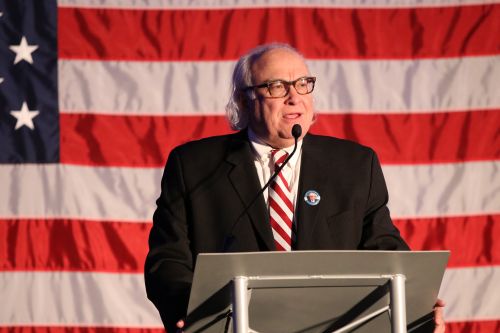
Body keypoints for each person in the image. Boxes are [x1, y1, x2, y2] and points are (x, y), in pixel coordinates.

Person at [145, 43, 445, 332]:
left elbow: (384, 250)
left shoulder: (354, 165)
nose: (294, 97)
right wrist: (191, 313)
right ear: (243, 100)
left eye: (303, 83)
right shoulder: (195, 165)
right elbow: (168, 258)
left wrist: (417, 311)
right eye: (276, 86)